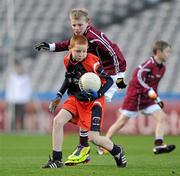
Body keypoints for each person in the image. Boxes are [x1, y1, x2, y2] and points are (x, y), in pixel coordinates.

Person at [35, 8, 127, 164]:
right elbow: (68, 45)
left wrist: (120, 76)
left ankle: (87, 147)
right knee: (63, 117)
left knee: (92, 119)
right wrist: (50, 47)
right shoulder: (75, 48)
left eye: (79, 25)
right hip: (93, 75)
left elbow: (113, 51)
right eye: (74, 25)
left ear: (87, 23)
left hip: (109, 74)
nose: (76, 28)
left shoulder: (94, 37)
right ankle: (66, 156)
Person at [97, 41, 176, 155]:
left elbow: (153, 86)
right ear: (158, 52)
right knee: (121, 122)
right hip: (135, 97)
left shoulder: (162, 68)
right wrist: (149, 91)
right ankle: (103, 145)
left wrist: (156, 98)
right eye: (167, 51)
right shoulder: (148, 65)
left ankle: (158, 145)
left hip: (147, 100)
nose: (169, 54)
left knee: (162, 118)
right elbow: (137, 78)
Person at [5, 59, 32, 131]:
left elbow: (27, 89)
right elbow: (9, 88)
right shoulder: (12, 77)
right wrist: (9, 98)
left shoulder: (25, 77)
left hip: (22, 99)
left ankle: (22, 129)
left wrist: (27, 98)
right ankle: (12, 129)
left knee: (22, 115)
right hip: (13, 99)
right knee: (13, 115)